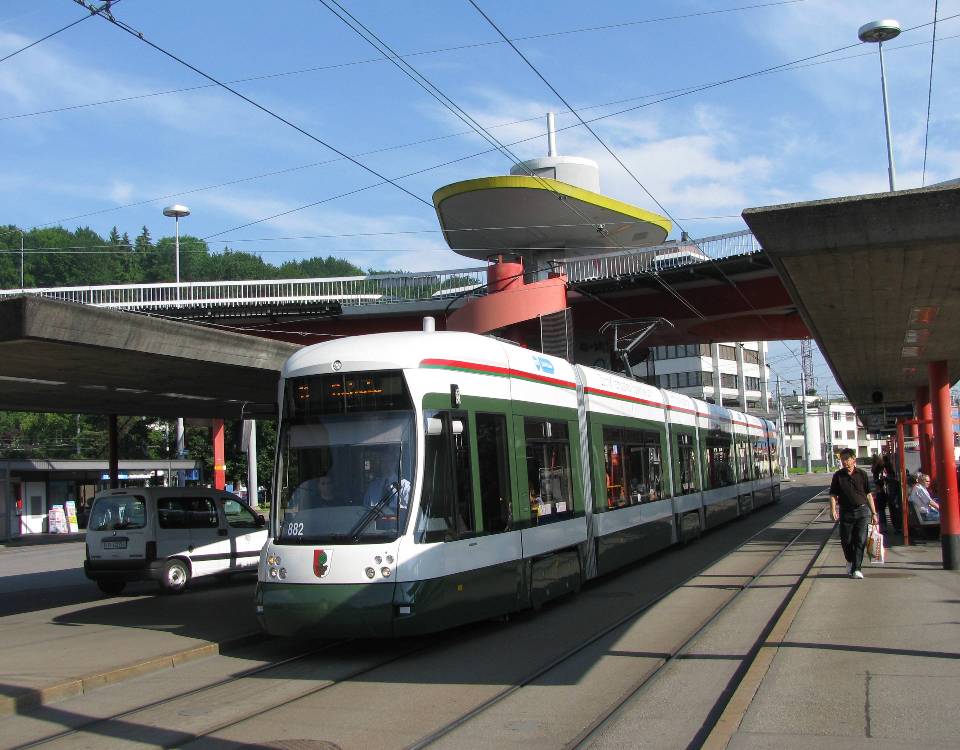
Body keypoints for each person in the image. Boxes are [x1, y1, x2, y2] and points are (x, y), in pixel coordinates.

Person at [829, 448, 877, 579]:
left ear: (853, 459)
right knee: (846, 540)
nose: (844, 462)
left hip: (862, 512)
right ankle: (850, 560)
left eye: (846, 459)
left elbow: (868, 494)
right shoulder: (838, 476)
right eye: (842, 459)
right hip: (846, 512)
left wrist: (874, 513)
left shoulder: (862, 474)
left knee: (860, 540)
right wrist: (833, 509)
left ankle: (857, 568)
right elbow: (833, 494)